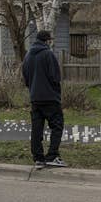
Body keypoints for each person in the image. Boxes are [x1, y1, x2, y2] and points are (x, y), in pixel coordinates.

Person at [22, 30, 67, 169]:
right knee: (57, 126)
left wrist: (33, 90)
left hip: (35, 97)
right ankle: (52, 156)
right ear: (47, 41)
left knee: (37, 129)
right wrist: (56, 92)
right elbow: (55, 77)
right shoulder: (48, 54)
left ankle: (38, 158)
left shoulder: (28, 55)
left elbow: (26, 77)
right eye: (50, 40)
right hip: (50, 97)